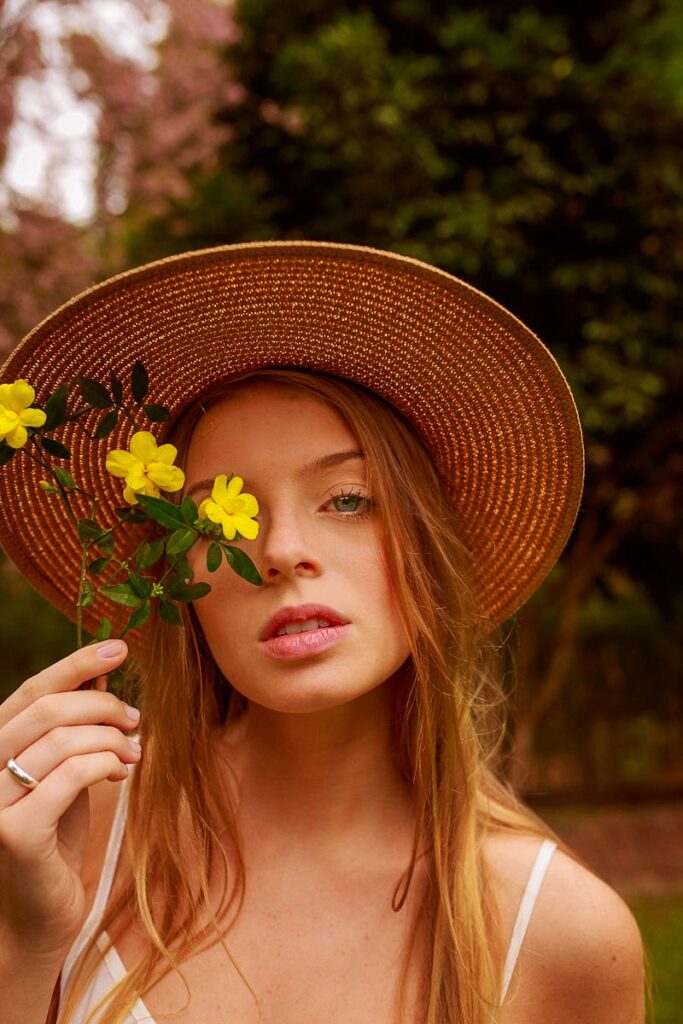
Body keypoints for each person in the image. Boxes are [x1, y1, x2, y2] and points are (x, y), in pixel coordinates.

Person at [0, 243, 644, 1024]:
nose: (276, 551)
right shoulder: (54, 843)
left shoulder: (558, 934)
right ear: (176, 585)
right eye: (213, 518)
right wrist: (25, 946)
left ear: (425, 546)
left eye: (345, 500)